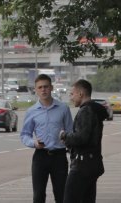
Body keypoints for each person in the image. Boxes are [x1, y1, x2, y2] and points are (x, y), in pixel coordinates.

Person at [20, 73, 74, 203]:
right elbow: (24, 134)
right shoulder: (31, 111)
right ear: (36, 90)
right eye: (40, 87)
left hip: (59, 157)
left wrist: (66, 139)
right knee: (38, 196)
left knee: (61, 194)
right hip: (40, 156)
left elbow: (70, 132)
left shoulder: (63, 108)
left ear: (51, 88)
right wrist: (34, 143)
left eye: (46, 86)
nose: (43, 90)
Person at [60, 79, 107, 203]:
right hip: (93, 163)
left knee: (70, 199)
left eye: (72, 94)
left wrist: (65, 136)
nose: (71, 97)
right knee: (88, 199)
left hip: (82, 164)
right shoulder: (95, 109)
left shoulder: (85, 111)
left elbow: (82, 137)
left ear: (80, 94)